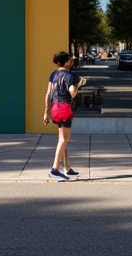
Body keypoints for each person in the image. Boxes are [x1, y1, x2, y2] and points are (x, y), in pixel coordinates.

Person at [43, 51, 87, 181]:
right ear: (66, 61)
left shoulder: (53, 75)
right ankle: (55, 169)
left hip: (54, 108)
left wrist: (45, 112)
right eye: (70, 60)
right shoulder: (69, 75)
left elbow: (48, 94)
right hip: (64, 107)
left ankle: (67, 168)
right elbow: (72, 93)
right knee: (64, 139)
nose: (71, 62)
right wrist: (78, 85)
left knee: (62, 139)